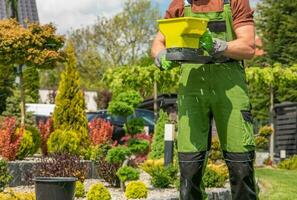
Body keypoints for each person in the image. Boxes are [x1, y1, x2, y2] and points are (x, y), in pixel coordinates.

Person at [151, 0, 258, 199]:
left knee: (240, 165)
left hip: (230, 88)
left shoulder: (233, 1)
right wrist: (161, 55)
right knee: (189, 168)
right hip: (192, 90)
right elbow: (159, 42)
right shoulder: (181, 4)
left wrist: (221, 45)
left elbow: (248, 46)